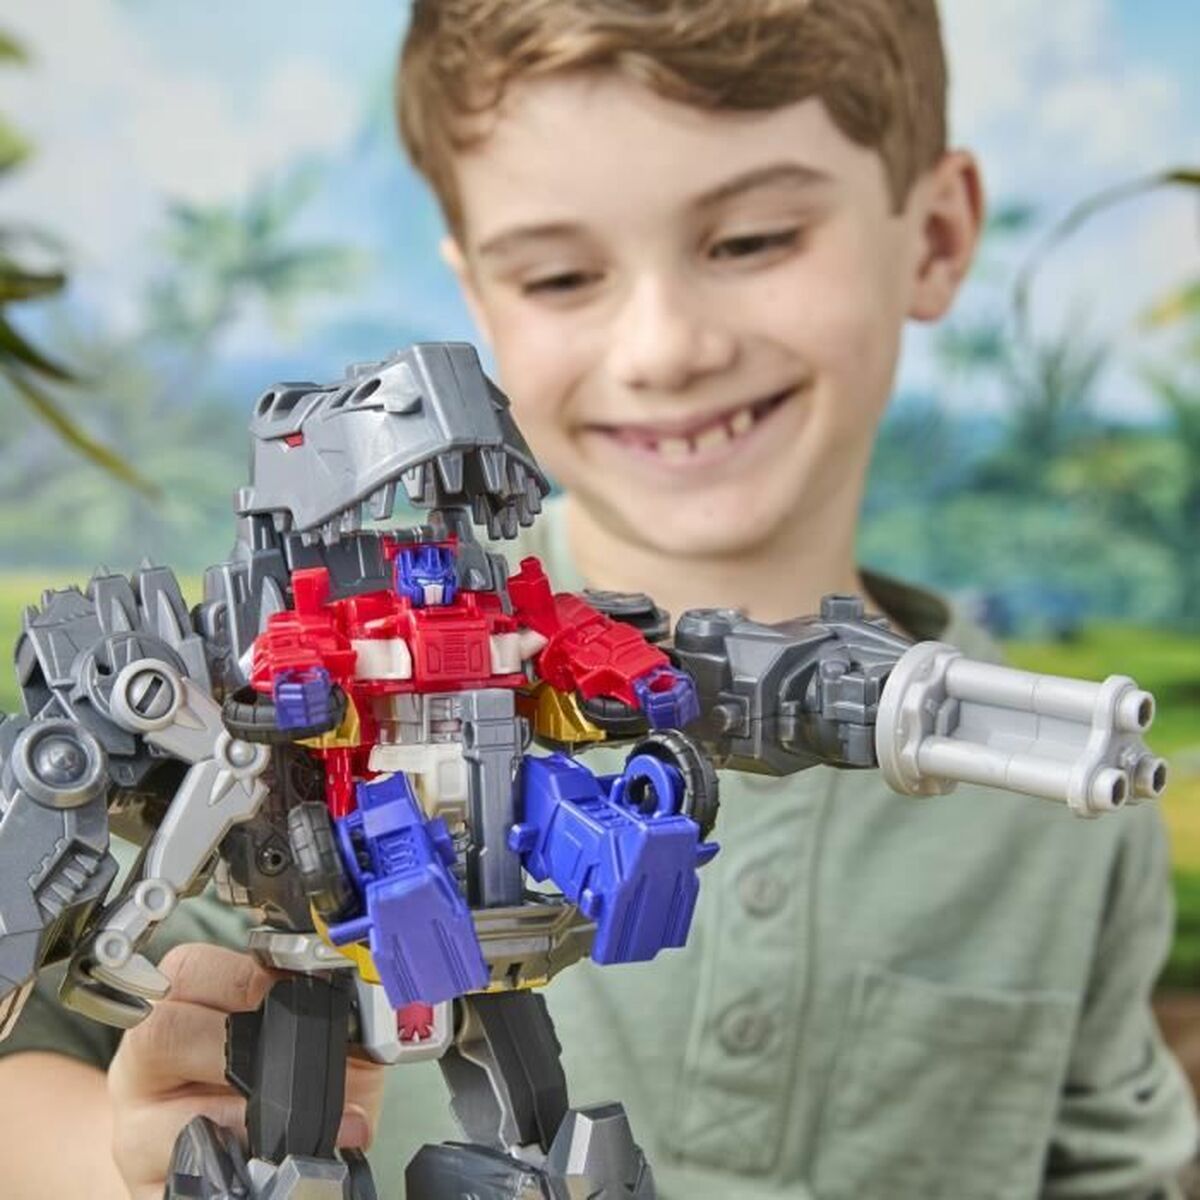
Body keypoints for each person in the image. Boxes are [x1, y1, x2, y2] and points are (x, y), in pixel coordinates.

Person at [0, 2, 1195, 1197]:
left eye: (753, 239)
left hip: (502, 935)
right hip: (343, 928)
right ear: (480, 292)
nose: (665, 348)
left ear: (933, 238)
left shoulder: (1060, 843)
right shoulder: (275, 686)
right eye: (563, 274)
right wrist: (120, 1163)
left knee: (541, 1124)